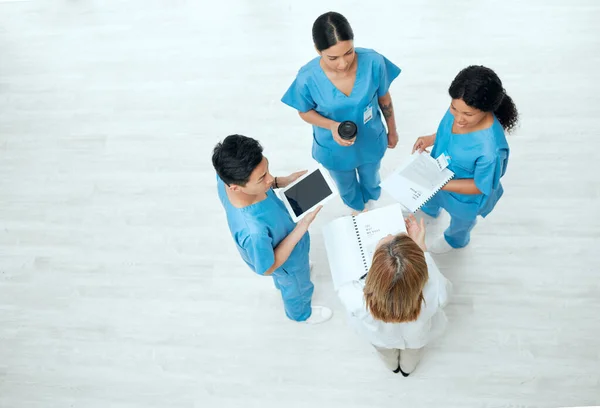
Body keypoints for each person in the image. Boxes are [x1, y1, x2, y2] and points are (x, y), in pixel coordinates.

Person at [281, 11, 401, 215]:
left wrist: (392, 130)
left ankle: (371, 203)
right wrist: (332, 126)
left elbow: (384, 99)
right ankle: (357, 208)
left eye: (349, 52)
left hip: (370, 139)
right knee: (346, 185)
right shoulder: (307, 77)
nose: (343, 63)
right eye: (333, 58)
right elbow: (304, 112)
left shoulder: (373, 62)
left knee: (372, 179)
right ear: (318, 50)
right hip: (333, 148)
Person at [212, 134, 333, 324]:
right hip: (285, 263)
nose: (269, 179)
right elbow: (268, 267)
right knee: (297, 287)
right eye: (262, 178)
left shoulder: (225, 176)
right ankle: (301, 314)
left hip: (284, 240)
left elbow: (266, 181)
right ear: (236, 187)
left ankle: (287, 280)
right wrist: (302, 226)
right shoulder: (253, 232)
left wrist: (280, 182)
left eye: (267, 170)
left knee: (289, 277)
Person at [412, 65, 519, 253]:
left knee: (461, 222)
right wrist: (430, 139)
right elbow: (448, 132)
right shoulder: (460, 106)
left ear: (486, 110)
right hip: (437, 176)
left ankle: (455, 240)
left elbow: (480, 186)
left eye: (468, 114)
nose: (459, 119)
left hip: (463, 198)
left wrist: (441, 184)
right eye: (454, 108)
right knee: (430, 200)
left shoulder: (490, 150)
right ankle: (430, 211)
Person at [336, 215, 452, 376]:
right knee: (413, 355)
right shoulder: (436, 285)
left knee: (386, 354)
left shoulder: (353, 295)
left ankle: (392, 367)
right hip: (416, 337)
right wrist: (420, 246)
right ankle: (407, 369)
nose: (389, 235)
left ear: (376, 269)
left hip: (380, 339)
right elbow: (444, 293)